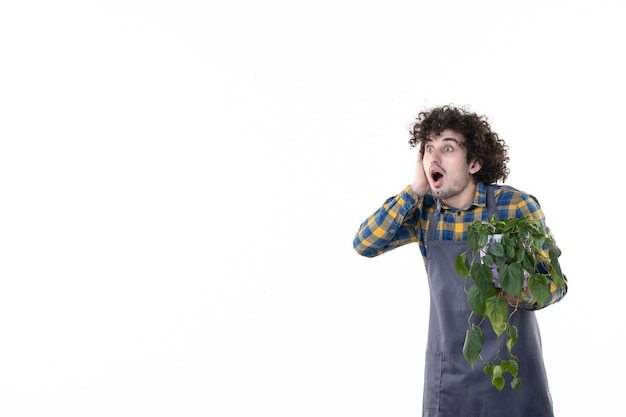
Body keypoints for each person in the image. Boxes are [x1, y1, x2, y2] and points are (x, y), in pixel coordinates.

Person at [352, 105, 568, 417]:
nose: (433, 158)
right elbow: (364, 244)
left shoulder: (515, 205)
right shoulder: (425, 213)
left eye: (448, 147)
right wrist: (414, 190)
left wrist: (519, 293)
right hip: (448, 377)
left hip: (510, 374)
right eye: (428, 148)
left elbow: (555, 284)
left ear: (475, 162)